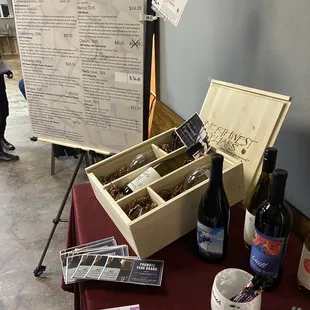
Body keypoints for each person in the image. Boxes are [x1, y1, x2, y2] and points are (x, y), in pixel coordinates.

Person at [0, 56, 19, 162]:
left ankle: (2, 139)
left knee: (4, 114)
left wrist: (8, 72)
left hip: (1, 91)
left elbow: (2, 64)